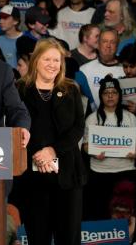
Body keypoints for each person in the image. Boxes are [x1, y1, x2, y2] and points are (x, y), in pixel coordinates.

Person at [15, 38, 85, 245]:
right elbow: (15, 127)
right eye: (47, 59)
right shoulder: (19, 89)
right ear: (36, 60)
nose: (52, 64)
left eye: (57, 60)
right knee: (38, 237)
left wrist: (52, 151)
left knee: (69, 238)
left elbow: (78, 128)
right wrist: (38, 155)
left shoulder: (71, 89)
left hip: (67, 176)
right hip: (32, 177)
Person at [83, 75, 136, 220]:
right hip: (99, 173)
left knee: (125, 214)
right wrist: (93, 152)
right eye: (106, 93)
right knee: (99, 213)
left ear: (119, 95)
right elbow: (84, 145)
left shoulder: (130, 118)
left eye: (113, 92)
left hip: (125, 172)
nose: (110, 96)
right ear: (101, 96)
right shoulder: (92, 118)